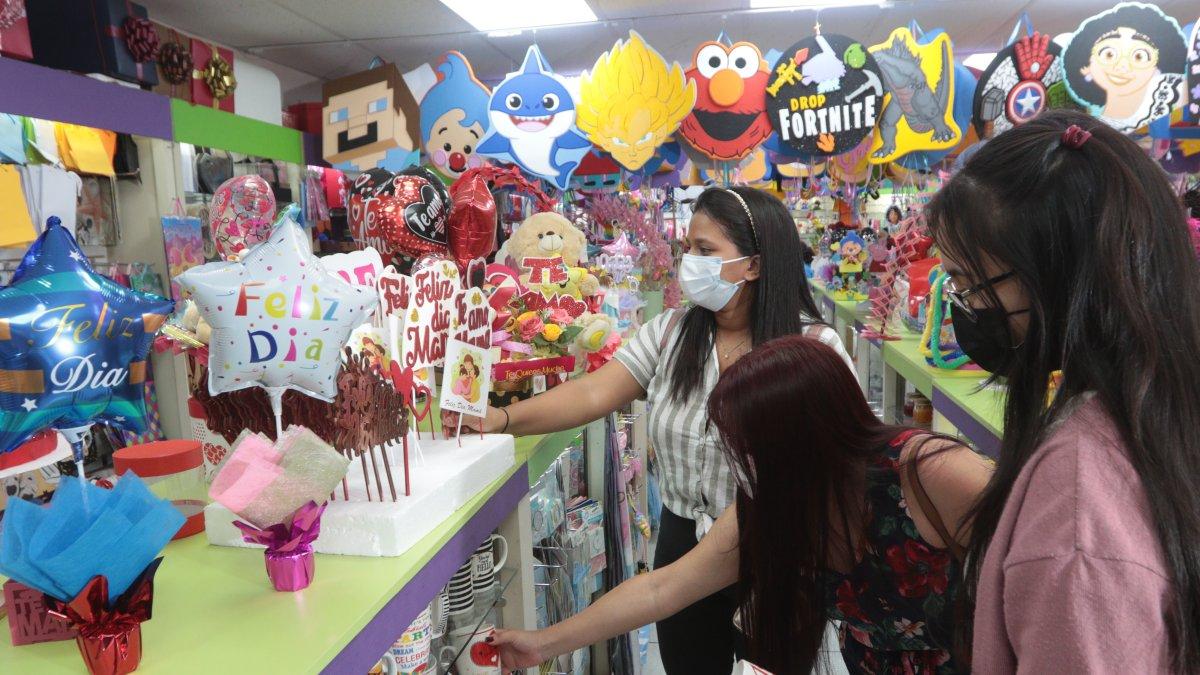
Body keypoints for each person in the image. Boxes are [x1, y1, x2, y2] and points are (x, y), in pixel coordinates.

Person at [466, 186, 853, 674]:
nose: (690, 261)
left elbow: (844, 469)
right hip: (683, 535)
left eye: (707, 251)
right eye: (688, 247)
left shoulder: (813, 349)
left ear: (754, 264)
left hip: (778, 553)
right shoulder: (672, 334)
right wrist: (502, 419)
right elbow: (591, 393)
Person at [489, 336, 992, 673]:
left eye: (748, 445)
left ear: (800, 435)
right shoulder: (775, 505)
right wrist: (544, 643)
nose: (739, 463)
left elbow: (1043, 573)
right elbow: (662, 588)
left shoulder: (927, 472)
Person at [928, 109, 1200, 672]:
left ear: (1055, 272)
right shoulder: (1158, 406)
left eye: (967, 282)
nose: (965, 307)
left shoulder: (1077, 498)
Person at [1061, 3, 1188, 133]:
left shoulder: (1173, 93)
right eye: (1108, 54)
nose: (1122, 66)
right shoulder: (1086, 130)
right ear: (1086, 65)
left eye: (1139, 56)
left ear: (1157, 68)